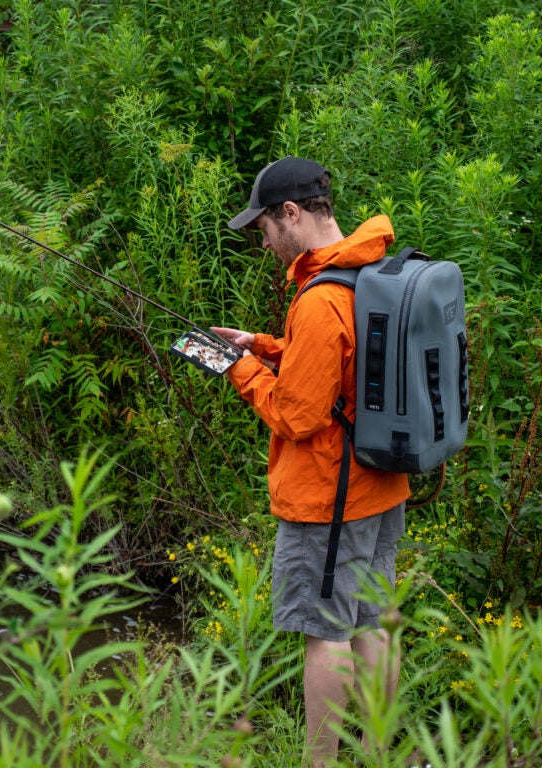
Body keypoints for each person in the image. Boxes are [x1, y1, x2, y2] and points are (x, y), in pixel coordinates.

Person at [211, 156, 410, 768]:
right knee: (374, 622)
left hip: (329, 498)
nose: (263, 241)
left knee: (327, 635)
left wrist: (238, 368)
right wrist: (264, 345)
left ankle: (319, 763)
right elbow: (345, 365)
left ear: (291, 214)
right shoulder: (369, 266)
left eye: (264, 227)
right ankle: (378, 753)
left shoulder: (320, 300)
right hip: (382, 485)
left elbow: (298, 415)